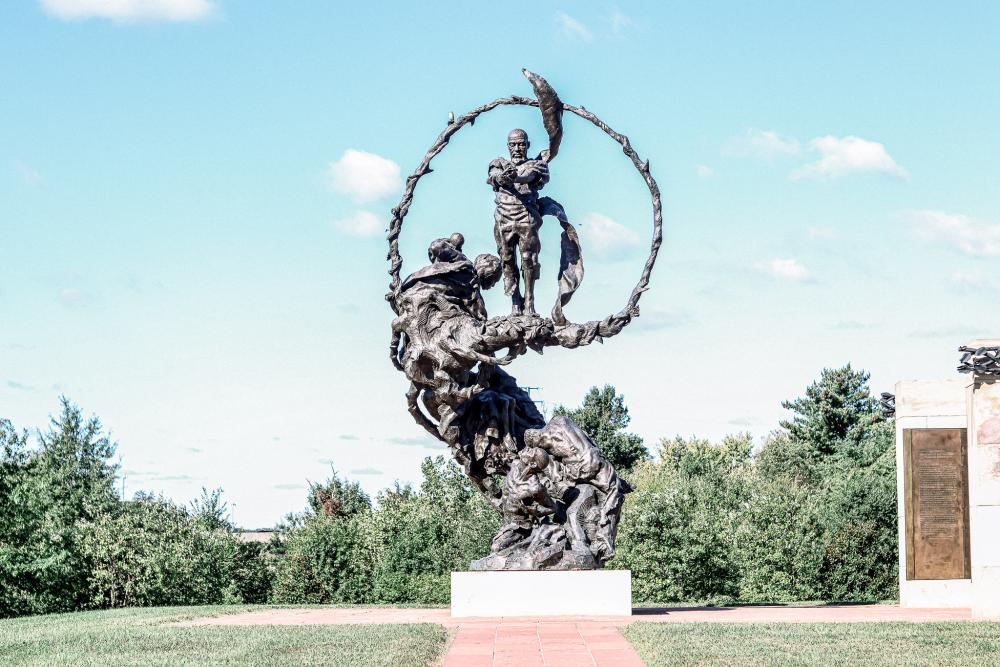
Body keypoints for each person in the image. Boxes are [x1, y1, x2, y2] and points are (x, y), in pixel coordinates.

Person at [487, 129, 551, 316]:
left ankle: (529, 301)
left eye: (521, 144)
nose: (517, 148)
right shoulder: (498, 163)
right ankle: (516, 301)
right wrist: (501, 177)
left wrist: (514, 177)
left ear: (527, 145)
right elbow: (494, 176)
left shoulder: (536, 164)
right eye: (513, 144)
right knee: (507, 259)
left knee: (528, 259)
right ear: (508, 146)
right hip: (503, 216)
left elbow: (530, 176)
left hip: (526, 214)